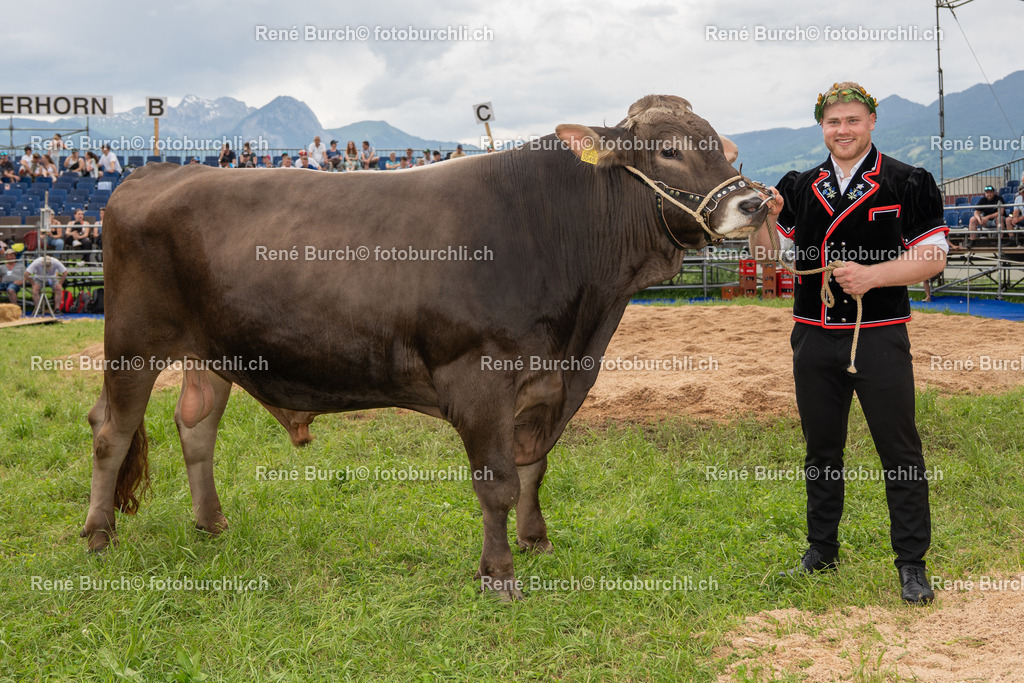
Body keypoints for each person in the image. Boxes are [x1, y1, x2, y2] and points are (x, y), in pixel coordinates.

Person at [749, 81, 947, 604]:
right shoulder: (798, 184)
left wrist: (874, 276)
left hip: (879, 338)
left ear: (872, 123)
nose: (843, 130)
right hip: (813, 338)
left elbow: (933, 259)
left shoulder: (909, 181)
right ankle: (822, 548)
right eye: (833, 122)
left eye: (852, 121)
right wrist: (763, 220)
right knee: (821, 448)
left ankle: (911, 563)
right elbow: (779, 261)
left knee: (900, 450)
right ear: (822, 127)